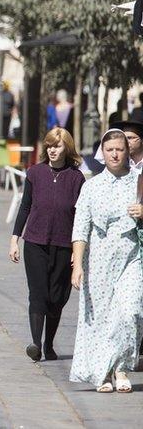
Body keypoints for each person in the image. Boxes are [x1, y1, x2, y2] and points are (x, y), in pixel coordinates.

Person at [69, 128, 143, 393]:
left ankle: (122, 367)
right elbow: (80, 228)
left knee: (130, 311)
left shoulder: (139, 180)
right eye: (110, 149)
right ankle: (103, 372)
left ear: (127, 152)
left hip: (131, 256)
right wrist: (77, 265)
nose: (115, 154)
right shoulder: (92, 186)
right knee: (99, 317)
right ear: (103, 152)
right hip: (98, 258)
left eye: (120, 149)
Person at [9, 127, 84, 361]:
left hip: (63, 244)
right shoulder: (35, 173)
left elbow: (81, 215)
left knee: (57, 297)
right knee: (38, 293)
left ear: (67, 148)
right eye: (49, 146)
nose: (53, 150)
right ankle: (35, 344)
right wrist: (14, 240)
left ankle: (49, 344)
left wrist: (78, 249)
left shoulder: (76, 178)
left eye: (57, 146)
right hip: (35, 242)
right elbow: (25, 207)